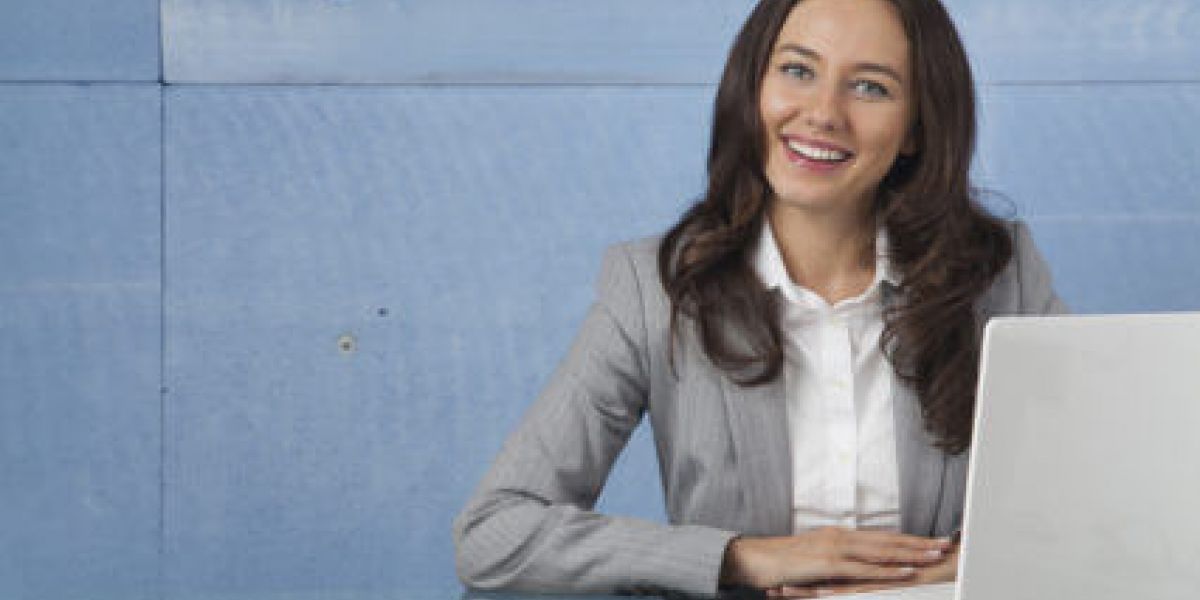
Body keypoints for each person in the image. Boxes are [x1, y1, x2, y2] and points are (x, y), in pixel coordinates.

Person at [453, 0, 1067, 597]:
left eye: (872, 87)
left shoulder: (997, 274)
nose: (824, 113)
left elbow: (1099, 500)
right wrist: (744, 559)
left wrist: (968, 564)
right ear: (753, 90)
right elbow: (494, 534)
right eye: (798, 70)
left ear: (915, 129)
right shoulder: (654, 287)